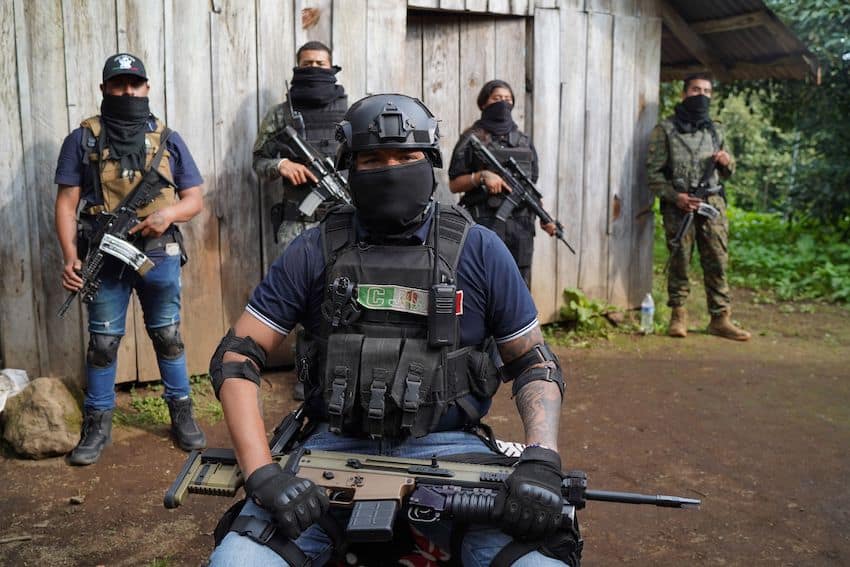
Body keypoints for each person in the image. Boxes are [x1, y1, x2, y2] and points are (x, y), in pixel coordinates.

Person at [208, 94, 577, 566]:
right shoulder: (314, 248)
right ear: (350, 166)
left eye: (407, 156)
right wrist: (262, 473)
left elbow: (533, 361)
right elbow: (237, 355)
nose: (391, 168)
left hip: (454, 454)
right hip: (332, 450)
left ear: (431, 162)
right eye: (373, 159)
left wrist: (541, 457)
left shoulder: (480, 250)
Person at [54, 53, 207, 466]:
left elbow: (193, 199)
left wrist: (167, 215)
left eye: (134, 85)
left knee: (168, 336)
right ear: (104, 89)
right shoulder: (82, 139)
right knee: (103, 345)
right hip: (105, 255)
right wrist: (71, 256)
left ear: (147, 88)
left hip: (158, 253)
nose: (127, 92)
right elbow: (67, 204)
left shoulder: (169, 139)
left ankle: (182, 413)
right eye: (119, 85)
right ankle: (98, 423)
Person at [646, 72, 751, 341]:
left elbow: (730, 171)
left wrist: (727, 162)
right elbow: (653, 174)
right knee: (679, 260)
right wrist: (675, 196)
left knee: (717, 259)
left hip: (712, 204)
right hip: (680, 206)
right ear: (684, 94)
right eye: (695, 90)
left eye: (706, 91)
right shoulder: (665, 130)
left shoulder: (715, 129)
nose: (701, 95)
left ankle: (720, 318)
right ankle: (678, 315)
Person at [447, 80, 555, 288]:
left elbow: (530, 187)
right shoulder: (472, 138)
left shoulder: (524, 141)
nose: (503, 103)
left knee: (520, 286)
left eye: (508, 99)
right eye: (497, 99)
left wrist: (546, 218)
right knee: (484, 280)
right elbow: (454, 184)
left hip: (521, 228)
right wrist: (481, 176)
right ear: (483, 103)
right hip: (485, 223)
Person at [252, 41, 349, 250]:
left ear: (331, 68)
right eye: (307, 64)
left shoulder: (352, 113)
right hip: (297, 225)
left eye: (320, 63)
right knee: (292, 283)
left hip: (345, 223)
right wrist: (280, 164)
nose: (313, 68)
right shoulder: (281, 114)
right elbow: (259, 161)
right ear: (297, 68)